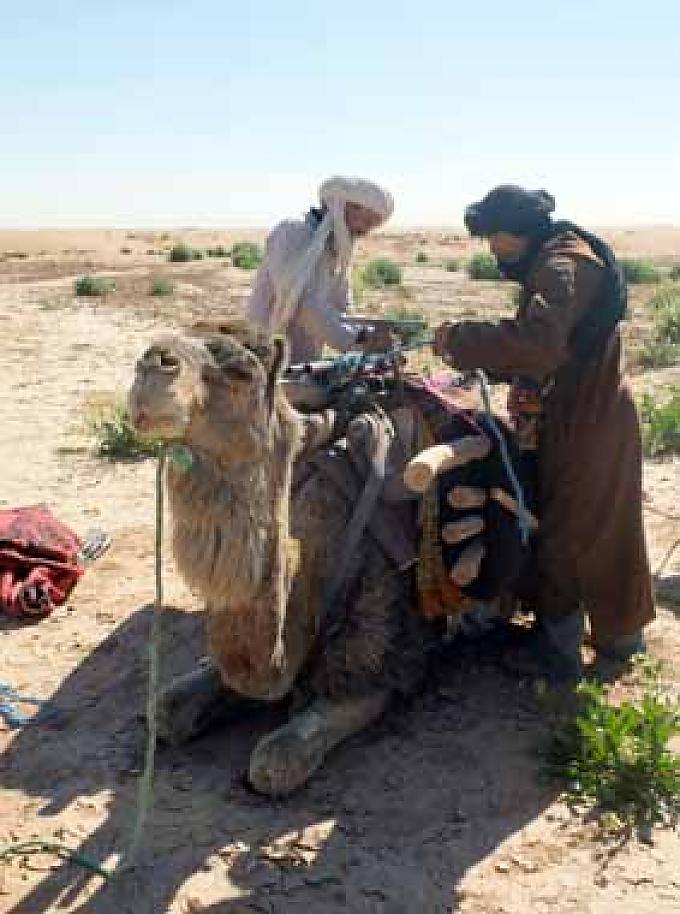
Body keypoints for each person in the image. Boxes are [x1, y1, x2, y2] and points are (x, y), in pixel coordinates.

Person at [433, 185, 655, 680]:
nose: (493, 250)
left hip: (589, 421)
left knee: (567, 532)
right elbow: (553, 350)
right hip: (583, 414)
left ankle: (561, 653)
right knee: (600, 527)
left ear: (517, 231)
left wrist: (462, 339)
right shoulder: (557, 258)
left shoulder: (563, 264)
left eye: (494, 238)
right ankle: (617, 638)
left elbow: (539, 344)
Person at [247, 176, 395, 363]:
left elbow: (342, 308)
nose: (366, 231)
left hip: (303, 359)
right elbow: (298, 301)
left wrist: (370, 332)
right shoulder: (293, 231)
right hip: (262, 354)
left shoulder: (336, 250)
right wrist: (358, 338)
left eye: (373, 225)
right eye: (367, 220)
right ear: (341, 206)